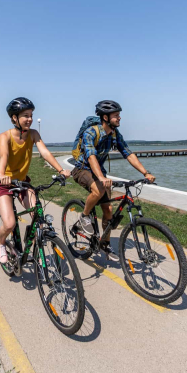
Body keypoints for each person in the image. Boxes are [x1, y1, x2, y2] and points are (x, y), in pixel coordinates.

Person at [71, 100, 155, 260]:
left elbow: (128, 153)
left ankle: (105, 243)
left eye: (119, 115)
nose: (120, 118)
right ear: (105, 117)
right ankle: (84, 216)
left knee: (108, 211)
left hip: (98, 171)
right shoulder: (91, 132)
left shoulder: (115, 134)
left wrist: (145, 172)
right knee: (98, 189)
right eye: (116, 115)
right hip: (82, 168)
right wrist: (101, 178)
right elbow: (91, 156)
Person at [0, 97, 71, 263]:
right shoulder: (4, 136)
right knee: (9, 224)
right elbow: (4, 156)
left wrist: (60, 170)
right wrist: (1, 174)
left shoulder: (33, 134)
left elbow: (45, 152)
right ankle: (0, 243)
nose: (29, 119)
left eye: (31, 115)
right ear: (15, 118)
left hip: (23, 182)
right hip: (4, 183)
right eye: (25, 115)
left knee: (38, 218)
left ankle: (38, 251)